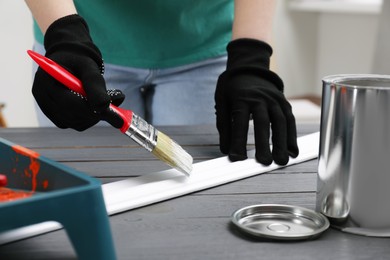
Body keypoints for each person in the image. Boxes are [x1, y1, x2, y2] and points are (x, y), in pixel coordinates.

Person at [25, 0, 299, 166]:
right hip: (82, 41)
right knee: (89, 183)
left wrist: (250, 56)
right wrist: (64, 34)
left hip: (205, 38)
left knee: (201, 184)